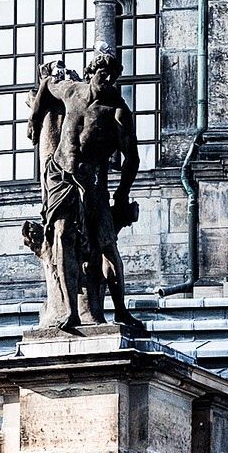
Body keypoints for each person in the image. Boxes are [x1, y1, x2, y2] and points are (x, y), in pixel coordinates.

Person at [25, 51, 143, 333]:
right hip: (59, 174)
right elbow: (48, 86)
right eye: (103, 74)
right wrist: (34, 117)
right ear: (91, 73)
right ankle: (71, 312)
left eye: (113, 76)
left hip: (91, 181)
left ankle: (122, 311)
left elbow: (133, 159)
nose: (108, 80)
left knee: (106, 245)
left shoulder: (118, 111)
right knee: (62, 236)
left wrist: (122, 195)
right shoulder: (72, 91)